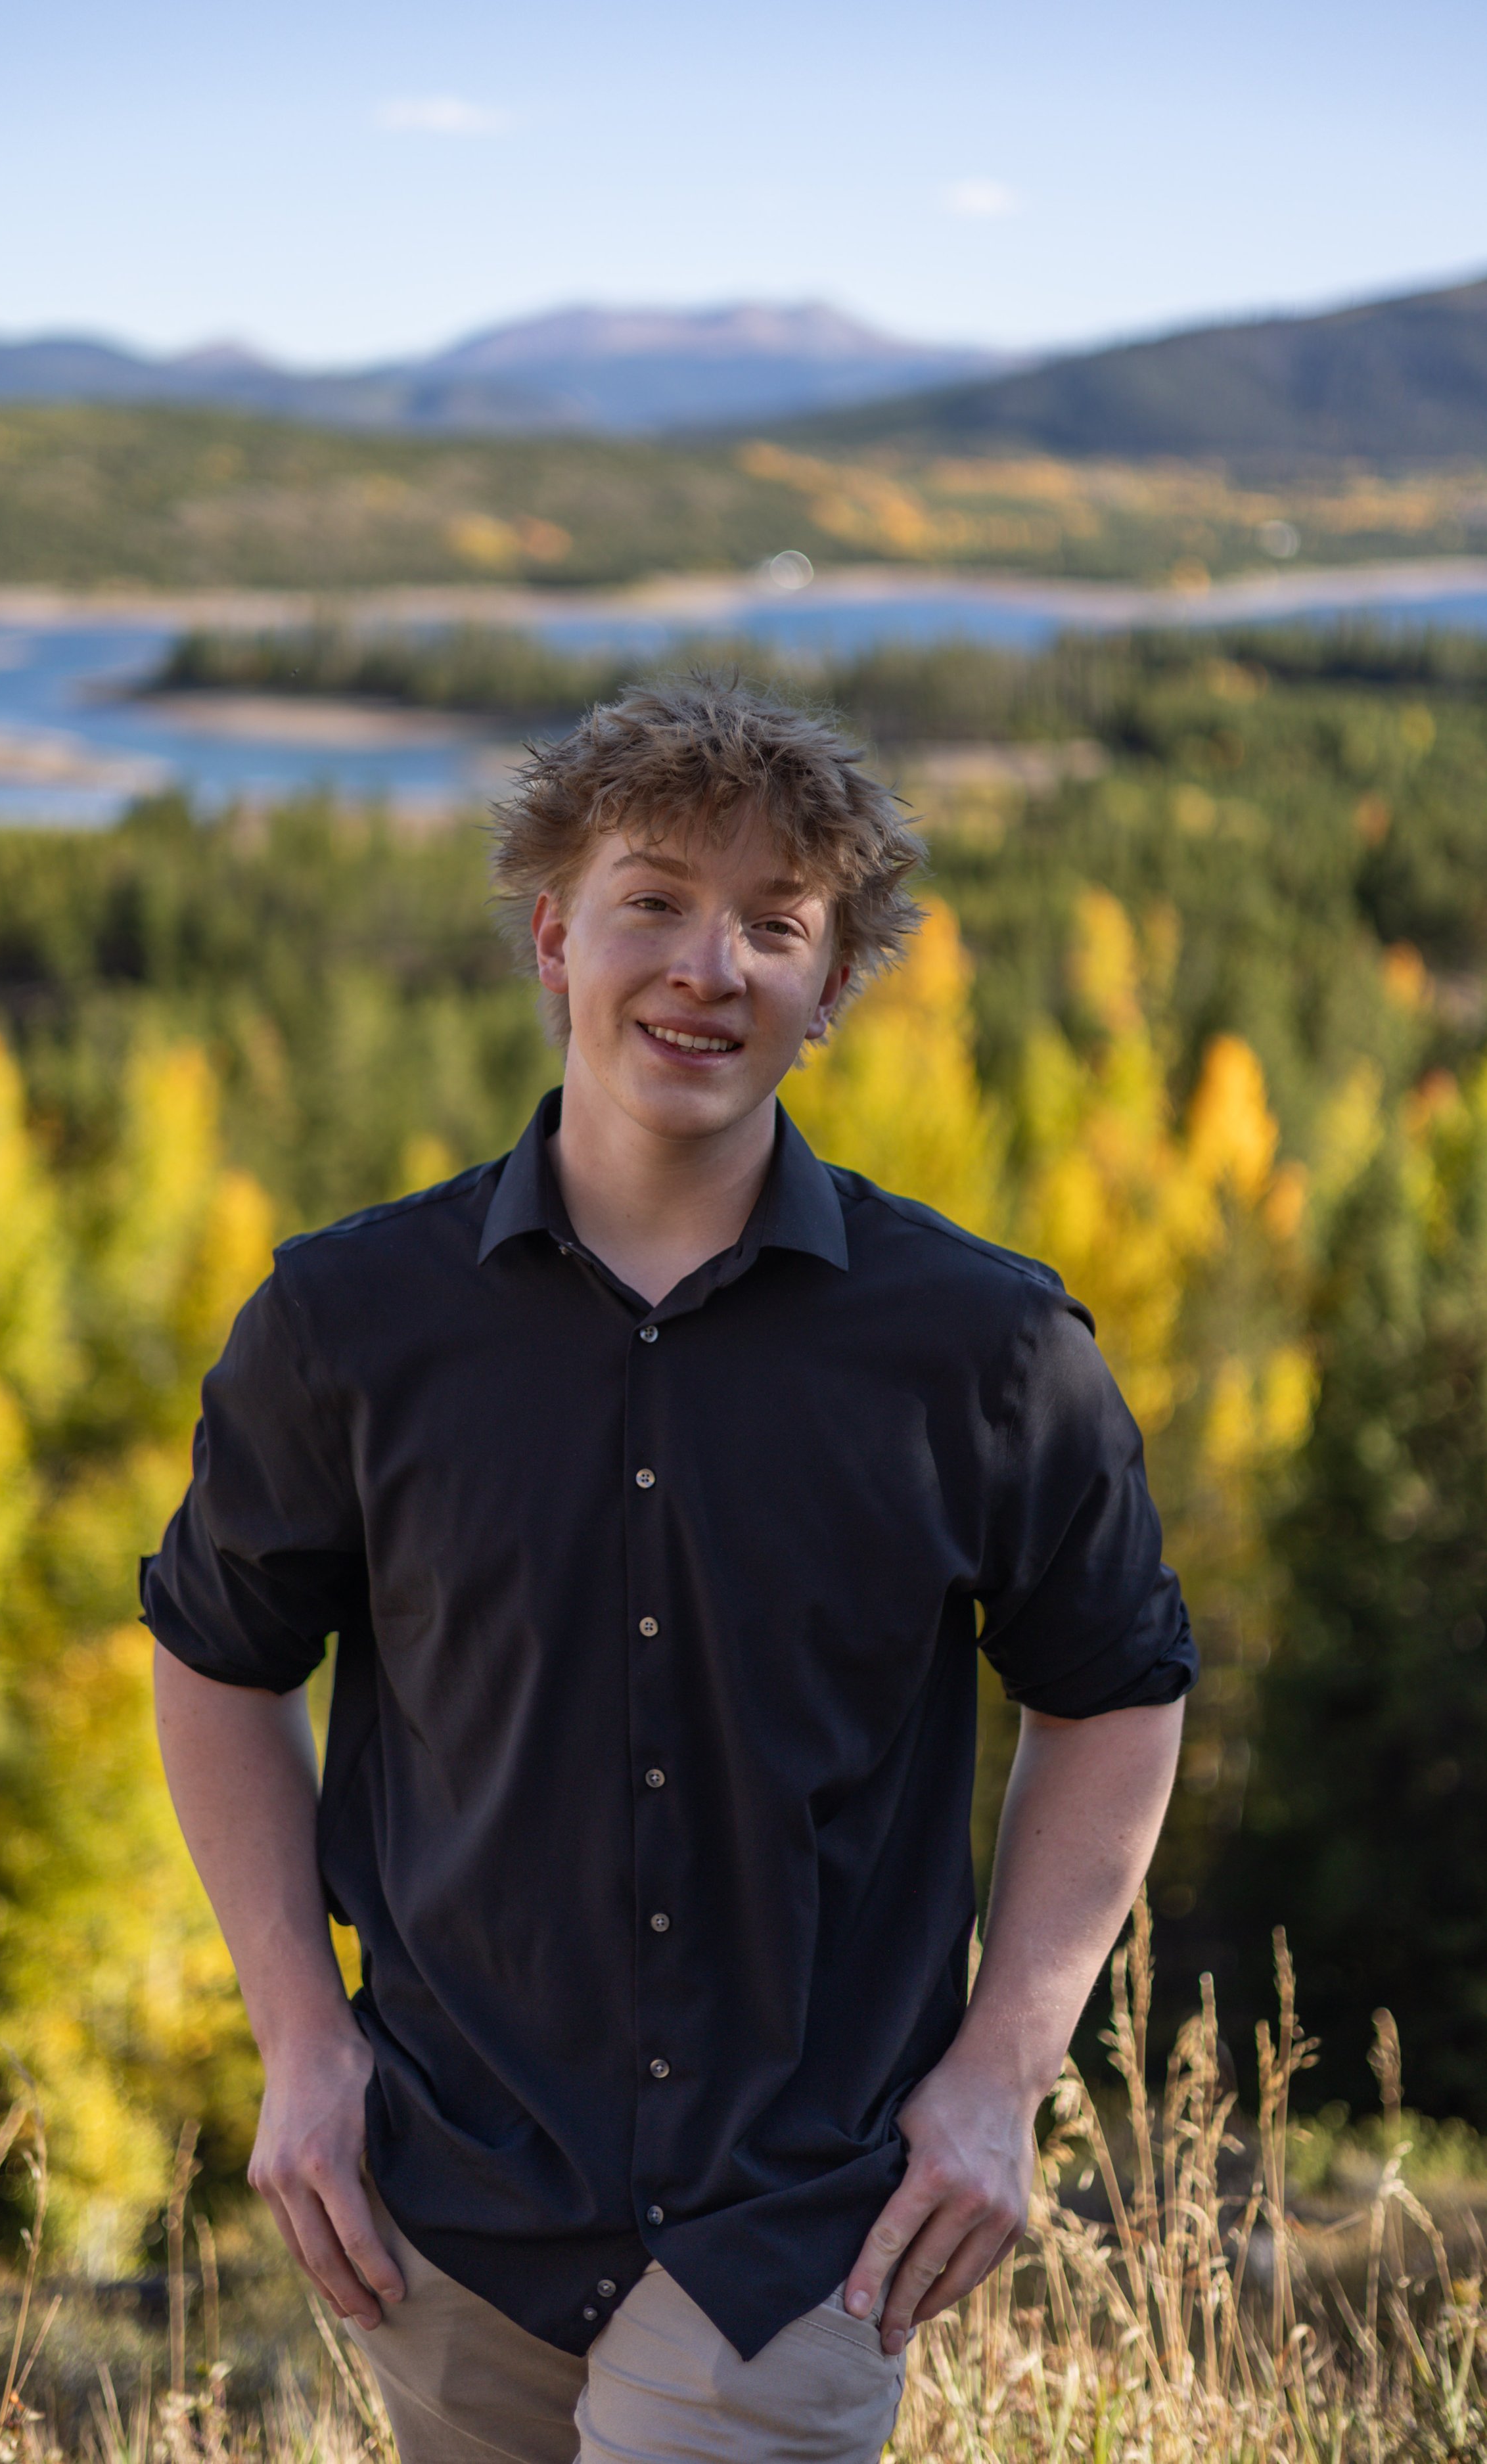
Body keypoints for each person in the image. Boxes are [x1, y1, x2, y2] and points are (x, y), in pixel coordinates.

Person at [145, 677, 1195, 2464]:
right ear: (555, 935)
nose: (708, 966)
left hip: (796, 2222)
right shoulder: (348, 1321)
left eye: (774, 926)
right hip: (443, 2204)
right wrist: (301, 2045)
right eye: (654, 902)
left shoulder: (986, 1347)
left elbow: (1111, 1689)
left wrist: (1001, 2078)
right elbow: (218, 1656)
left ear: (829, 989)